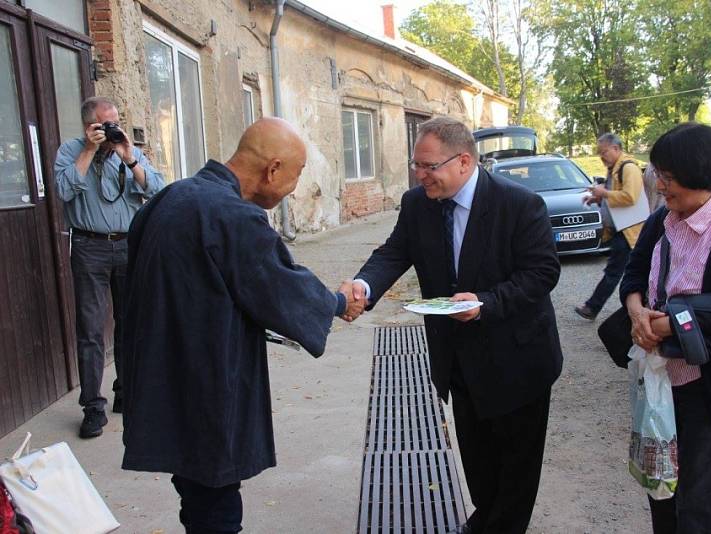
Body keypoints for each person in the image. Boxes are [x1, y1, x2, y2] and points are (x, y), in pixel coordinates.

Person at [121, 117, 364, 533]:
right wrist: (339, 302)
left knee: (195, 494)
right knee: (217, 505)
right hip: (207, 382)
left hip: (162, 374)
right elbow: (278, 286)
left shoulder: (171, 197)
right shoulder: (233, 216)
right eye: (296, 175)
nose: (293, 188)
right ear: (272, 169)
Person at [346, 117, 563, 534]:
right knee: (478, 458)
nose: (419, 174)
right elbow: (394, 252)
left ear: (464, 162)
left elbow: (542, 273)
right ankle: (486, 517)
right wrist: (363, 285)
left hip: (518, 360)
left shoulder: (518, 204)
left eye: (428, 166)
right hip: (458, 358)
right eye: (416, 164)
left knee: (516, 467)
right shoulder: (417, 204)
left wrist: (487, 302)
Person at [619, 123, 711, 533]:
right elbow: (632, 278)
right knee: (661, 488)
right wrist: (637, 313)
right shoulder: (661, 222)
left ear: (698, 173)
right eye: (657, 175)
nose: (659, 186)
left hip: (710, 393)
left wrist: (669, 326)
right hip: (660, 385)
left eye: (666, 177)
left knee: (700, 503)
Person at [54, 96, 165, 439]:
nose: (113, 127)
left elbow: (158, 189)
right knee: (90, 329)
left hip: (128, 245)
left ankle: (126, 393)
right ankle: (92, 408)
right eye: (105, 123)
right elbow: (62, 190)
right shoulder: (70, 151)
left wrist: (129, 158)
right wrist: (89, 150)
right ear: (89, 125)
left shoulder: (127, 150)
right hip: (89, 247)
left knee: (130, 324)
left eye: (116, 120)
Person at [575, 133, 645, 320]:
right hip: (620, 230)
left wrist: (604, 193)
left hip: (630, 231)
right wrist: (598, 198)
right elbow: (616, 196)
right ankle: (595, 307)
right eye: (599, 153)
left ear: (616, 148)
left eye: (604, 151)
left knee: (615, 271)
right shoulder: (614, 169)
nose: (601, 156)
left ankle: (592, 307)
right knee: (622, 271)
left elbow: (630, 197)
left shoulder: (629, 168)